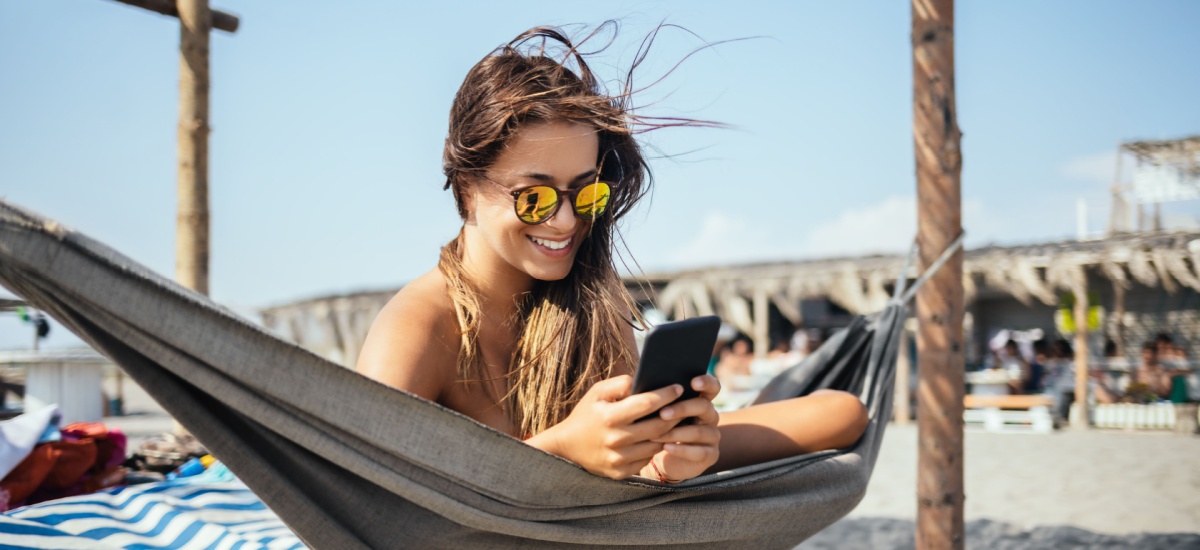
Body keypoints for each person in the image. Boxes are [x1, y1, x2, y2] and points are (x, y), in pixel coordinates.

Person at [355, 25, 867, 483]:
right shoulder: (419, 329)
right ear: (467, 188)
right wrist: (561, 451)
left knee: (842, 413)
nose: (565, 221)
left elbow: (628, 463)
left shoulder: (588, 302)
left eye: (586, 193)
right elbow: (370, 505)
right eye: (534, 198)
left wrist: (669, 457)